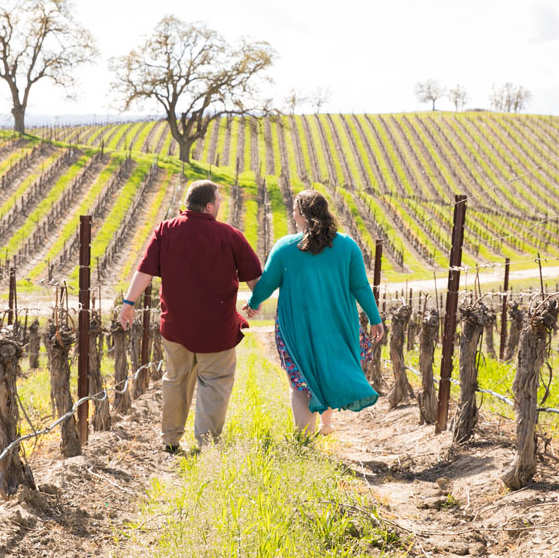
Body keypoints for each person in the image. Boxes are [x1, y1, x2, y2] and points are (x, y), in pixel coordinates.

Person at [120, 180, 262, 453]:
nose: (220, 205)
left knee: (175, 380)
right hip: (217, 329)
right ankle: (206, 444)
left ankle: (171, 439)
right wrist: (255, 301)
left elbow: (145, 270)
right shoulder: (231, 235)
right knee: (215, 383)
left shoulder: (165, 231)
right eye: (219, 201)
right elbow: (256, 279)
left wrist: (129, 302)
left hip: (176, 326)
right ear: (209, 206)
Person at [244, 189, 384, 436]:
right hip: (339, 322)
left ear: (299, 214)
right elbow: (360, 286)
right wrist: (375, 319)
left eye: (295, 211)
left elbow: (267, 283)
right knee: (329, 368)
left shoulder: (285, 247)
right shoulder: (347, 245)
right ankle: (327, 424)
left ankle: (305, 437)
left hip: (297, 325)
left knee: (300, 379)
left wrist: (254, 303)